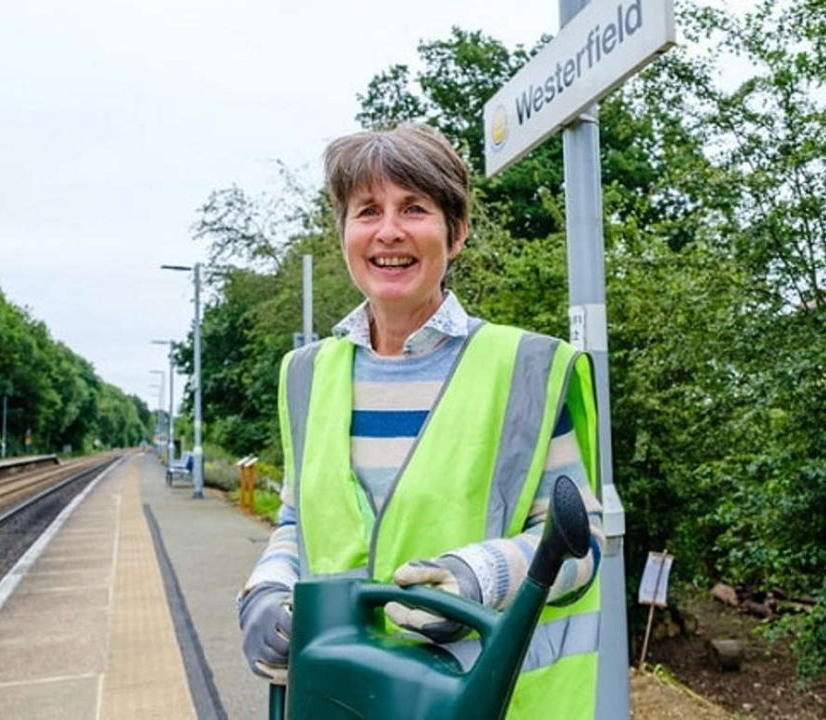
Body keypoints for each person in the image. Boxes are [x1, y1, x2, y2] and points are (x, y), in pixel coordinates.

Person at [237, 122, 606, 718]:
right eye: (367, 211)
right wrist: (266, 590)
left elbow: (580, 542)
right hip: (339, 702)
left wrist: (473, 578)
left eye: (414, 207)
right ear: (343, 234)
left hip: (477, 704)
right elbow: (300, 519)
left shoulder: (526, 368)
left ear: (454, 234)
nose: (388, 231)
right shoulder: (305, 373)